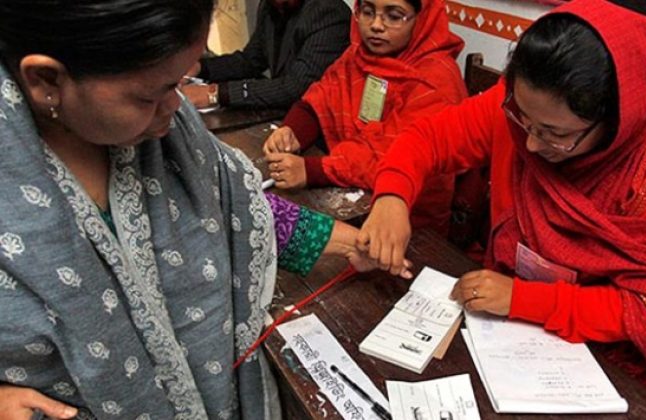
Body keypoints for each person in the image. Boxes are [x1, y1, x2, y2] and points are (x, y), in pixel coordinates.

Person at [0, 0, 408, 418]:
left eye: (178, 84)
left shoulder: (170, 133)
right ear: (46, 80)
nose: (176, 106)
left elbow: (236, 209)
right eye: (149, 95)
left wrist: (351, 243)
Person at [358, 0, 646, 414]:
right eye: (523, 119)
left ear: (617, 120)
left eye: (556, 134)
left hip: (607, 362)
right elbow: (428, 140)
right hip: (502, 325)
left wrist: (524, 299)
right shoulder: (523, 111)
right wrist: (392, 198)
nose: (532, 145)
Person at [262, 0, 466, 233]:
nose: (376, 25)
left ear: (421, 19)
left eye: (394, 16)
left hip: (409, 222)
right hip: (351, 196)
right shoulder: (357, 56)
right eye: (368, 12)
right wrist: (290, 131)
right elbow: (322, 96)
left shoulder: (437, 81)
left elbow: (396, 156)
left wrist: (312, 170)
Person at [182, 0, 351, 110]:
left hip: (317, 129)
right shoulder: (270, 7)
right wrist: (199, 67)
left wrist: (215, 93)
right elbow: (250, 61)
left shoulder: (328, 12)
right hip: (284, 120)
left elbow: (295, 87)